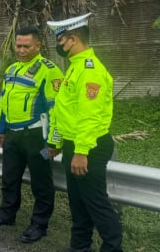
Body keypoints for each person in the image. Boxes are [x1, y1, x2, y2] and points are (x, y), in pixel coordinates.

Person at [46, 13, 123, 252]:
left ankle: (113, 248)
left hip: (90, 146)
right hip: (73, 144)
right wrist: (55, 142)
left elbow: (89, 116)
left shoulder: (90, 70)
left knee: (95, 203)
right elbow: (63, 111)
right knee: (78, 204)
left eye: (60, 40)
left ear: (73, 38)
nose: (58, 45)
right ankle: (79, 247)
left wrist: (81, 152)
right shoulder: (74, 67)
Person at [0, 26, 64, 244]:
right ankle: (6, 215)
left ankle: (39, 224)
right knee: (9, 178)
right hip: (12, 136)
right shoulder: (11, 70)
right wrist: (0, 130)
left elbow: (56, 109)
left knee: (41, 182)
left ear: (38, 45)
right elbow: (3, 103)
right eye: (18, 45)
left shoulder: (50, 70)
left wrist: (54, 142)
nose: (21, 50)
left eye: (26, 46)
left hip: (37, 136)